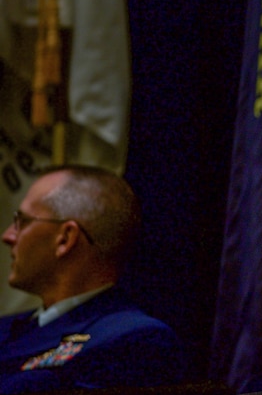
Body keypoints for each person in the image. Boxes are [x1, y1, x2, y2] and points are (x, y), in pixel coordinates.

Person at [0, 165, 183, 392]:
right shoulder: (7, 328)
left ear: (65, 239)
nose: (7, 236)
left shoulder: (133, 339)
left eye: (23, 221)